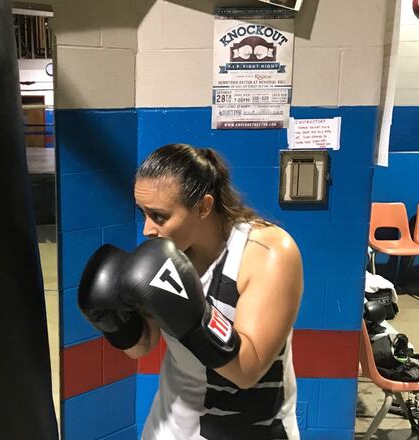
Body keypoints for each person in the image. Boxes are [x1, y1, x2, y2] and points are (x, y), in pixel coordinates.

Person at [78, 143, 304, 439]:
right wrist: (114, 323)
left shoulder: (266, 252)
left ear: (203, 207)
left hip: (250, 429)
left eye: (159, 216)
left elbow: (247, 371)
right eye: (143, 213)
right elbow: (143, 346)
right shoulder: (167, 251)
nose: (147, 229)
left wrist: (190, 312)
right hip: (171, 426)